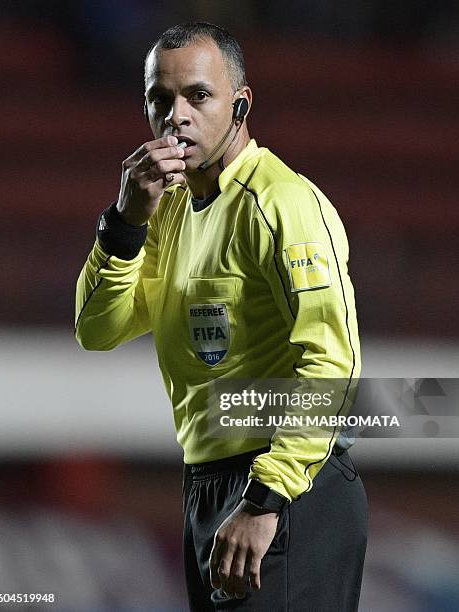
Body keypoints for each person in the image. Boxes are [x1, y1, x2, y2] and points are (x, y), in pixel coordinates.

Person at [75, 21, 368, 612]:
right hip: (208, 485)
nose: (176, 115)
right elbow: (98, 329)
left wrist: (265, 501)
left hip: (284, 487)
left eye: (198, 96)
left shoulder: (280, 203)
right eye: (161, 98)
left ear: (240, 103)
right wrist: (126, 222)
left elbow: (334, 360)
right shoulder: (167, 206)